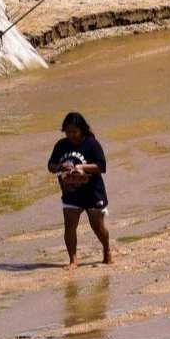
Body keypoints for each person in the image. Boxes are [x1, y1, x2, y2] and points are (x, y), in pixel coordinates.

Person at [49, 112, 112, 267]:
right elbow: (50, 166)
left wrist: (81, 167)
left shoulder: (91, 144)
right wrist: (59, 167)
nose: (71, 135)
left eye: (74, 131)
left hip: (93, 192)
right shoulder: (61, 145)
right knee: (69, 226)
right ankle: (73, 259)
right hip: (71, 193)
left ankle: (106, 249)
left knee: (97, 227)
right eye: (68, 131)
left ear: (82, 130)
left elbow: (101, 166)